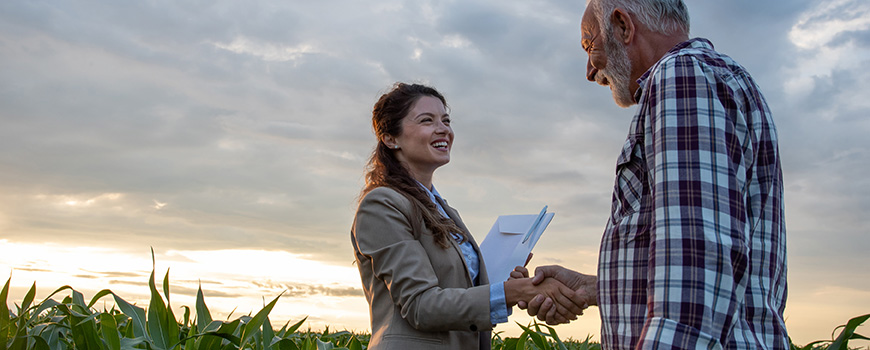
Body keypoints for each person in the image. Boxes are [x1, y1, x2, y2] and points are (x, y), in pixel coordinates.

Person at [518, 0, 789, 349]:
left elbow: (695, 271)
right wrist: (594, 288)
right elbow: (715, 258)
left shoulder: (682, 76)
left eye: (590, 46)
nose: (590, 70)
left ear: (622, 26)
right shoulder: (719, 78)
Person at [351, 82, 583, 350]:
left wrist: (503, 286)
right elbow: (421, 306)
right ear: (391, 138)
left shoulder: (445, 210)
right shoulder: (381, 204)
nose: (443, 129)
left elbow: (460, 299)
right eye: (427, 120)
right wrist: (514, 292)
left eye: (446, 120)